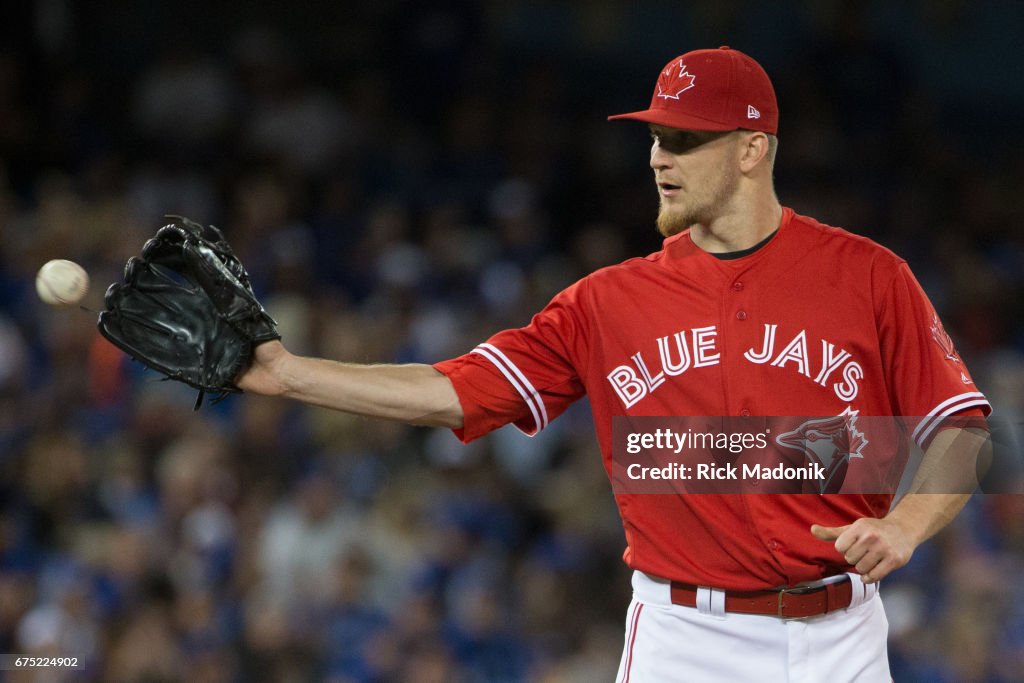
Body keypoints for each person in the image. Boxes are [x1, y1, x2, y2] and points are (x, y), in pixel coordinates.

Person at [237, 46, 991, 682]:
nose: (661, 157)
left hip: (841, 638)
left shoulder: (867, 276)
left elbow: (963, 427)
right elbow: (456, 390)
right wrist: (288, 374)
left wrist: (907, 524)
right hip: (686, 639)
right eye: (657, 137)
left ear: (753, 148)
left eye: (686, 139)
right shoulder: (608, 303)